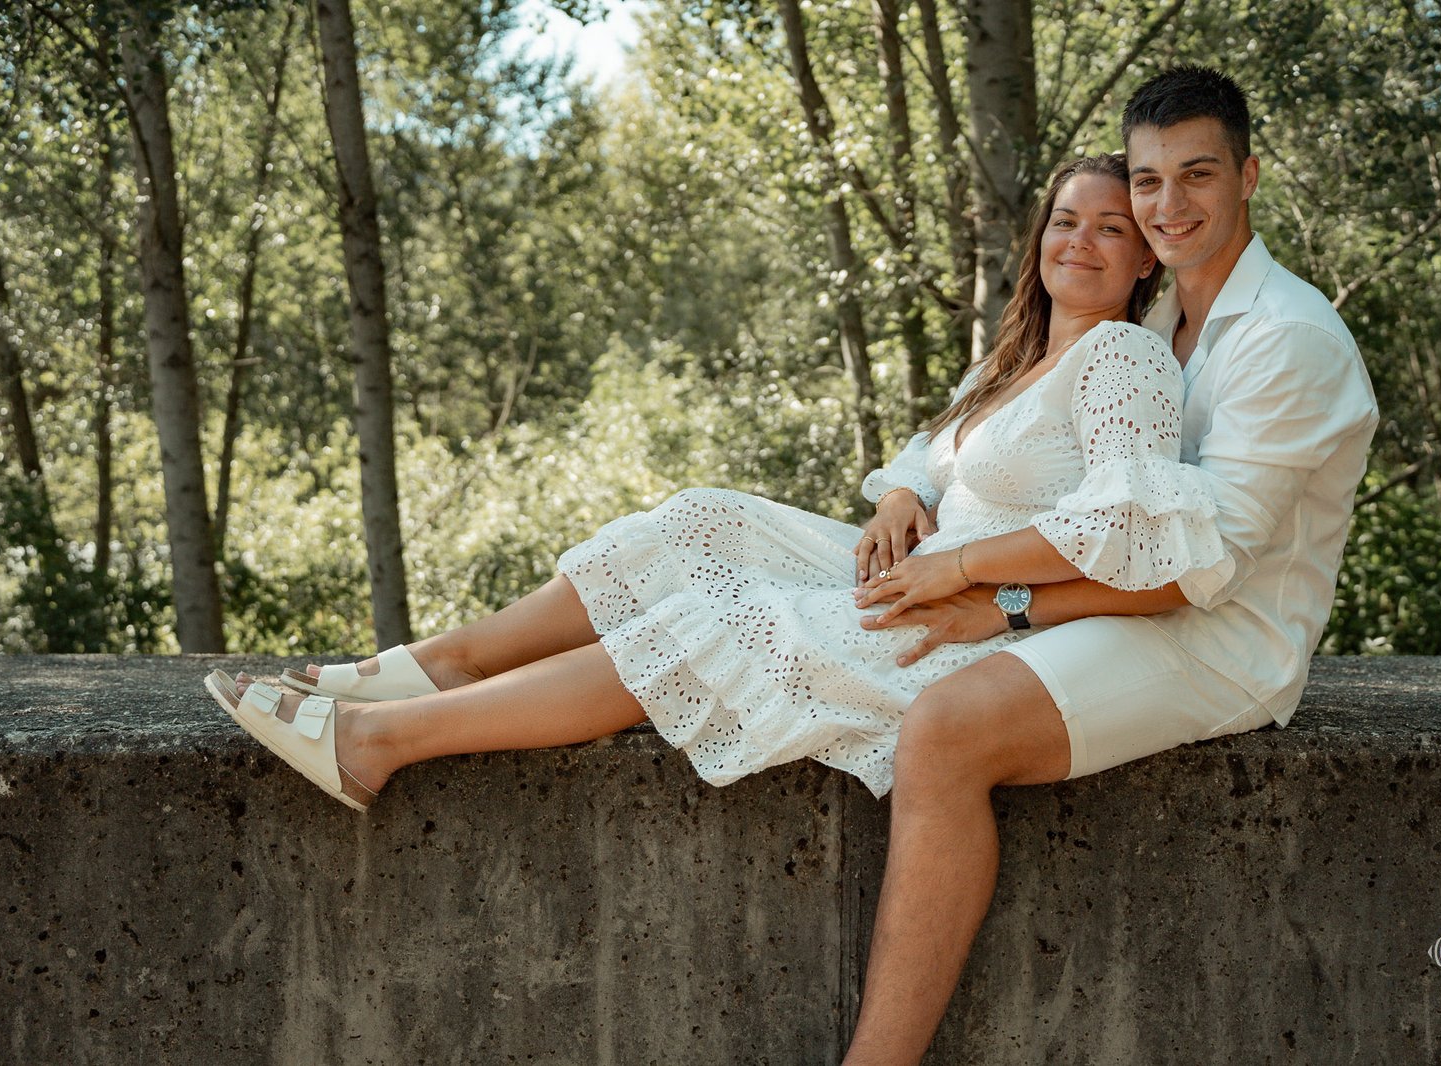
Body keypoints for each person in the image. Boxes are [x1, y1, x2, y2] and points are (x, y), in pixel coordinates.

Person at [206, 150, 1218, 813]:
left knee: (714, 622)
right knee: (698, 522)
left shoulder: (1123, 358)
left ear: (1144, 264)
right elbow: (934, 450)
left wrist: (982, 587)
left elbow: (1130, 536)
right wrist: (901, 495)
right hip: (918, 569)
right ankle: (444, 661)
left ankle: (380, 738)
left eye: (1109, 230)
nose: (1078, 242)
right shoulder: (1019, 357)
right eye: (1064, 221)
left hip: (970, 626)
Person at [834, 65, 1379, 1064]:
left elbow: (1194, 573)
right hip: (1118, 596)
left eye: (1197, 175)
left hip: (1218, 638)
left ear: (1248, 176)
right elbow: (1017, 439)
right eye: (1149, 180)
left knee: (945, 729)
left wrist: (1000, 600)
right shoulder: (1156, 321)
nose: (1168, 205)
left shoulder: (1288, 340)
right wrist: (915, 501)